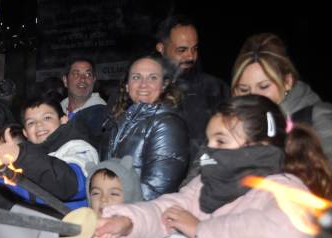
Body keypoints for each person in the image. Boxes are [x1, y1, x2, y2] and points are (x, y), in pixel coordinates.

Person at [92, 95, 314, 238]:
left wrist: (200, 230)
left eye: (221, 141)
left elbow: (293, 231)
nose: (209, 150)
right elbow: (167, 209)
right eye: (209, 142)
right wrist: (126, 221)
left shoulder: (285, 189)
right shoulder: (205, 184)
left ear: (259, 145)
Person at [231, 32, 332, 160]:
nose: (254, 97)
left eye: (264, 86)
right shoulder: (230, 125)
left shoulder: (318, 118)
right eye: (244, 90)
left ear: (287, 82)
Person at [102, 53, 190, 200]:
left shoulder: (167, 125)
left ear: (164, 85)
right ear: (126, 85)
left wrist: (119, 210)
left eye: (153, 78)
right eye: (136, 77)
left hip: (140, 217)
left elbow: (156, 189)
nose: (144, 84)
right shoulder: (120, 121)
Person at [155, 15, 229, 157]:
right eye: (181, 50)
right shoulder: (147, 88)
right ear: (161, 48)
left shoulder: (215, 88)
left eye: (194, 49)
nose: (190, 56)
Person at [60, 57, 109, 142]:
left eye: (88, 74)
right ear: (65, 80)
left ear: (93, 81)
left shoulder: (103, 117)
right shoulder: (55, 111)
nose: (82, 79)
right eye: (76, 74)